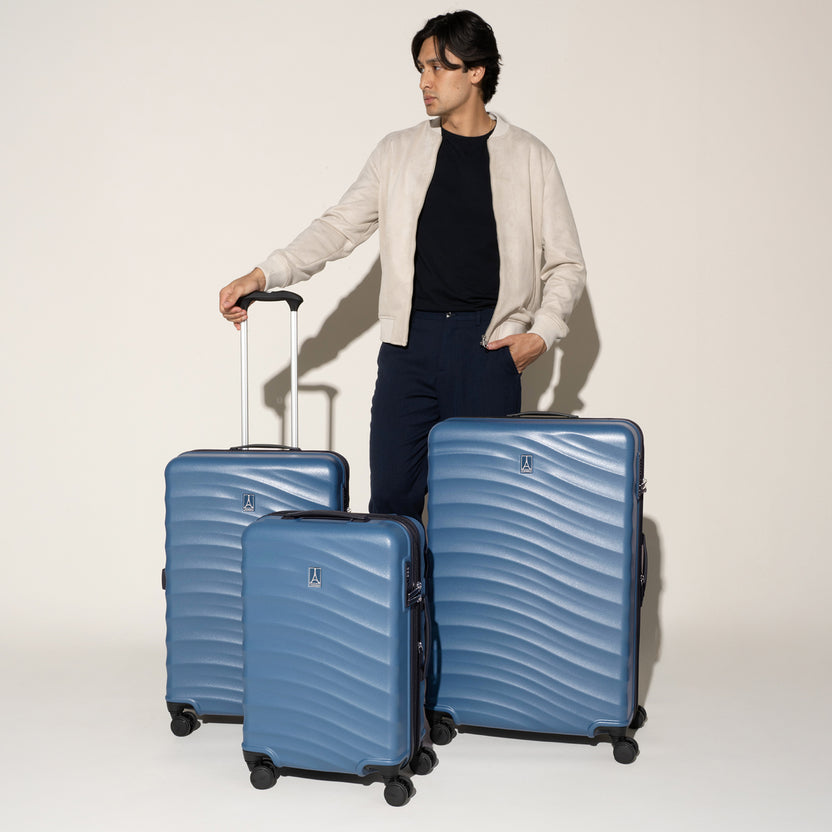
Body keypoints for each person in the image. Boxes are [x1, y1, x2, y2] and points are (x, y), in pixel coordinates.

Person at [219, 10, 586, 518]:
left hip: (488, 347)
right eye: (420, 68)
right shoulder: (398, 152)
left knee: (478, 512)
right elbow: (339, 227)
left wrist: (540, 335)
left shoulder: (530, 156)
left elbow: (566, 263)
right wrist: (263, 274)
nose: (423, 81)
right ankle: (403, 578)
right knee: (392, 502)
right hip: (408, 347)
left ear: (476, 71)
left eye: (437, 67)